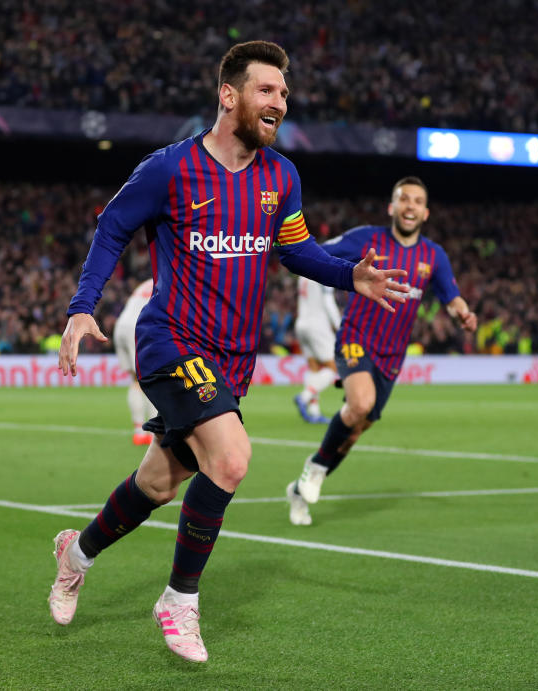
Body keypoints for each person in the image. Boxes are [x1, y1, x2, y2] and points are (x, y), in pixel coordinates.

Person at [48, 40, 408, 664]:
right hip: (171, 341)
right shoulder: (170, 169)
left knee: (160, 482)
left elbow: (296, 250)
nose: (279, 103)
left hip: (233, 359)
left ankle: (75, 554)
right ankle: (179, 601)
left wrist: (352, 276)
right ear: (229, 95)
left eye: (285, 94)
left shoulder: (282, 177)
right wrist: (84, 305)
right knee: (234, 459)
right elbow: (112, 227)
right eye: (267, 91)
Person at [284, 176, 477, 526]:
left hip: (392, 356)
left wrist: (463, 313)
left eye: (417, 201)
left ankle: (304, 484)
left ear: (426, 212)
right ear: (392, 207)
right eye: (404, 199)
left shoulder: (434, 256)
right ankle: (313, 471)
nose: (410, 206)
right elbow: (317, 253)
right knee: (360, 403)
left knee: (355, 430)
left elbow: (452, 296)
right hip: (356, 337)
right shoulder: (367, 239)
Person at [114, 277, 157, 444]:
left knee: (136, 379)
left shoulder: (146, 282)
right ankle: (152, 432)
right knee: (153, 379)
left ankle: (139, 431)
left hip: (122, 326)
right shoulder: (170, 277)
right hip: (138, 327)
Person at [293, 276, 340, 423]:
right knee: (333, 367)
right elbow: (328, 301)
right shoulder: (322, 270)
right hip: (318, 324)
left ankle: (314, 412)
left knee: (314, 367)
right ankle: (304, 397)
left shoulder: (302, 275)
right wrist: (339, 326)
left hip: (301, 323)